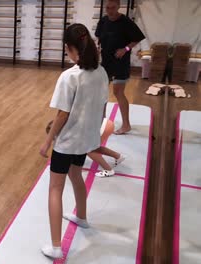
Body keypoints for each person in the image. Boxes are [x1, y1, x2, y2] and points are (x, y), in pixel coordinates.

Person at [39, 23, 108, 259]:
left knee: (55, 188)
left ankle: (56, 246)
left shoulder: (69, 76)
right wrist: (94, 133)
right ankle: (82, 217)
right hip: (85, 139)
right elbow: (103, 106)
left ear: (68, 48)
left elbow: (62, 114)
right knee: (76, 175)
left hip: (68, 141)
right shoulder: (101, 71)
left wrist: (47, 142)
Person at [95, 0, 145, 134]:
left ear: (118, 7)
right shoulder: (103, 21)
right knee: (102, 92)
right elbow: (99, 38)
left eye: (112, 8)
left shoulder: (125, 22)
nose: (110, 10)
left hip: (120, 63)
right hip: (105, 63)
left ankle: (126, 125)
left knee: (118, 92)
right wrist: (98, 47)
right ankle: (102, 120)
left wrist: (126, 49)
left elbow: (137, 38)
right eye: (107, 8)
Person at [46, 118, 126, 177]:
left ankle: (108, 170)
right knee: (94, 148)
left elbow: (72, 151)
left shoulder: (69, 132)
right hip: (106, 123)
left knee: (89, 150)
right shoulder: (68, 123)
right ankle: (118, 156)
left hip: (102, 128)